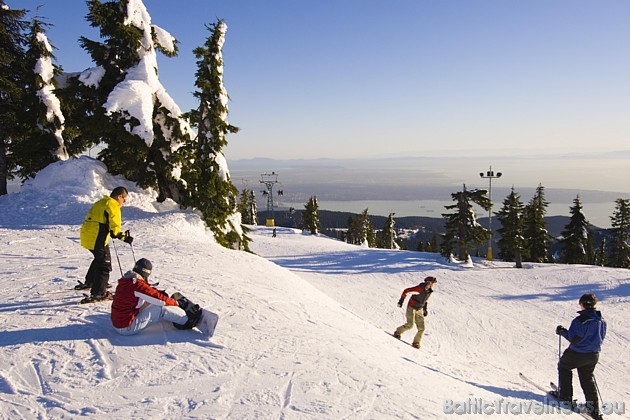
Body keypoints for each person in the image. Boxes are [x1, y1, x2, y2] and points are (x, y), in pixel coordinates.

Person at [111, 258, 202, 335]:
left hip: (119, 321)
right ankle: (186, 322)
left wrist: (159, 293)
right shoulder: (137, 285)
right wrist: (176, 303)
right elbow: (159, 300)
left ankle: (177, 315)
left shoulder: (128, 280)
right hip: (126, 327)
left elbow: (147, 291)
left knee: (150, 301)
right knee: (159, 308)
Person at [554, 293, 607, 420]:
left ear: (582, 304)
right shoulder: (601, 320)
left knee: (564, 366)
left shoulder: (580, 320)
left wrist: (562, 331)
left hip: (577, 353)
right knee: (587, 377)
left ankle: (566, 397)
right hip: (593, 354)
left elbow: (574, 338)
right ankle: (593, 408)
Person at [78, 186, 133, 303]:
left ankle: (91, 281)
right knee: (104, 264)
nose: (125, 201)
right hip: (97, 238)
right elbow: (115, 231)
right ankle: (98, 293)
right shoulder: (113, 206)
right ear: (119, 196)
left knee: (100, 258)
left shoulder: (101, 202)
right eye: (124, 198)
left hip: (88, 236)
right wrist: (125, 238)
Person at [393, 276, 437, 349]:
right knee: (410, 325)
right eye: (432, 283)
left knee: (422, 328)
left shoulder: (429, 291)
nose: (433, 285)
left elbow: (425, 301)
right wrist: (401, 301)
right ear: (428, 283)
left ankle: (416, 343)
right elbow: (406, 291)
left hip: (419, 309)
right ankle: (397, 332)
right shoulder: (420, 288)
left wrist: (425, 309)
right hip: (411, 307)